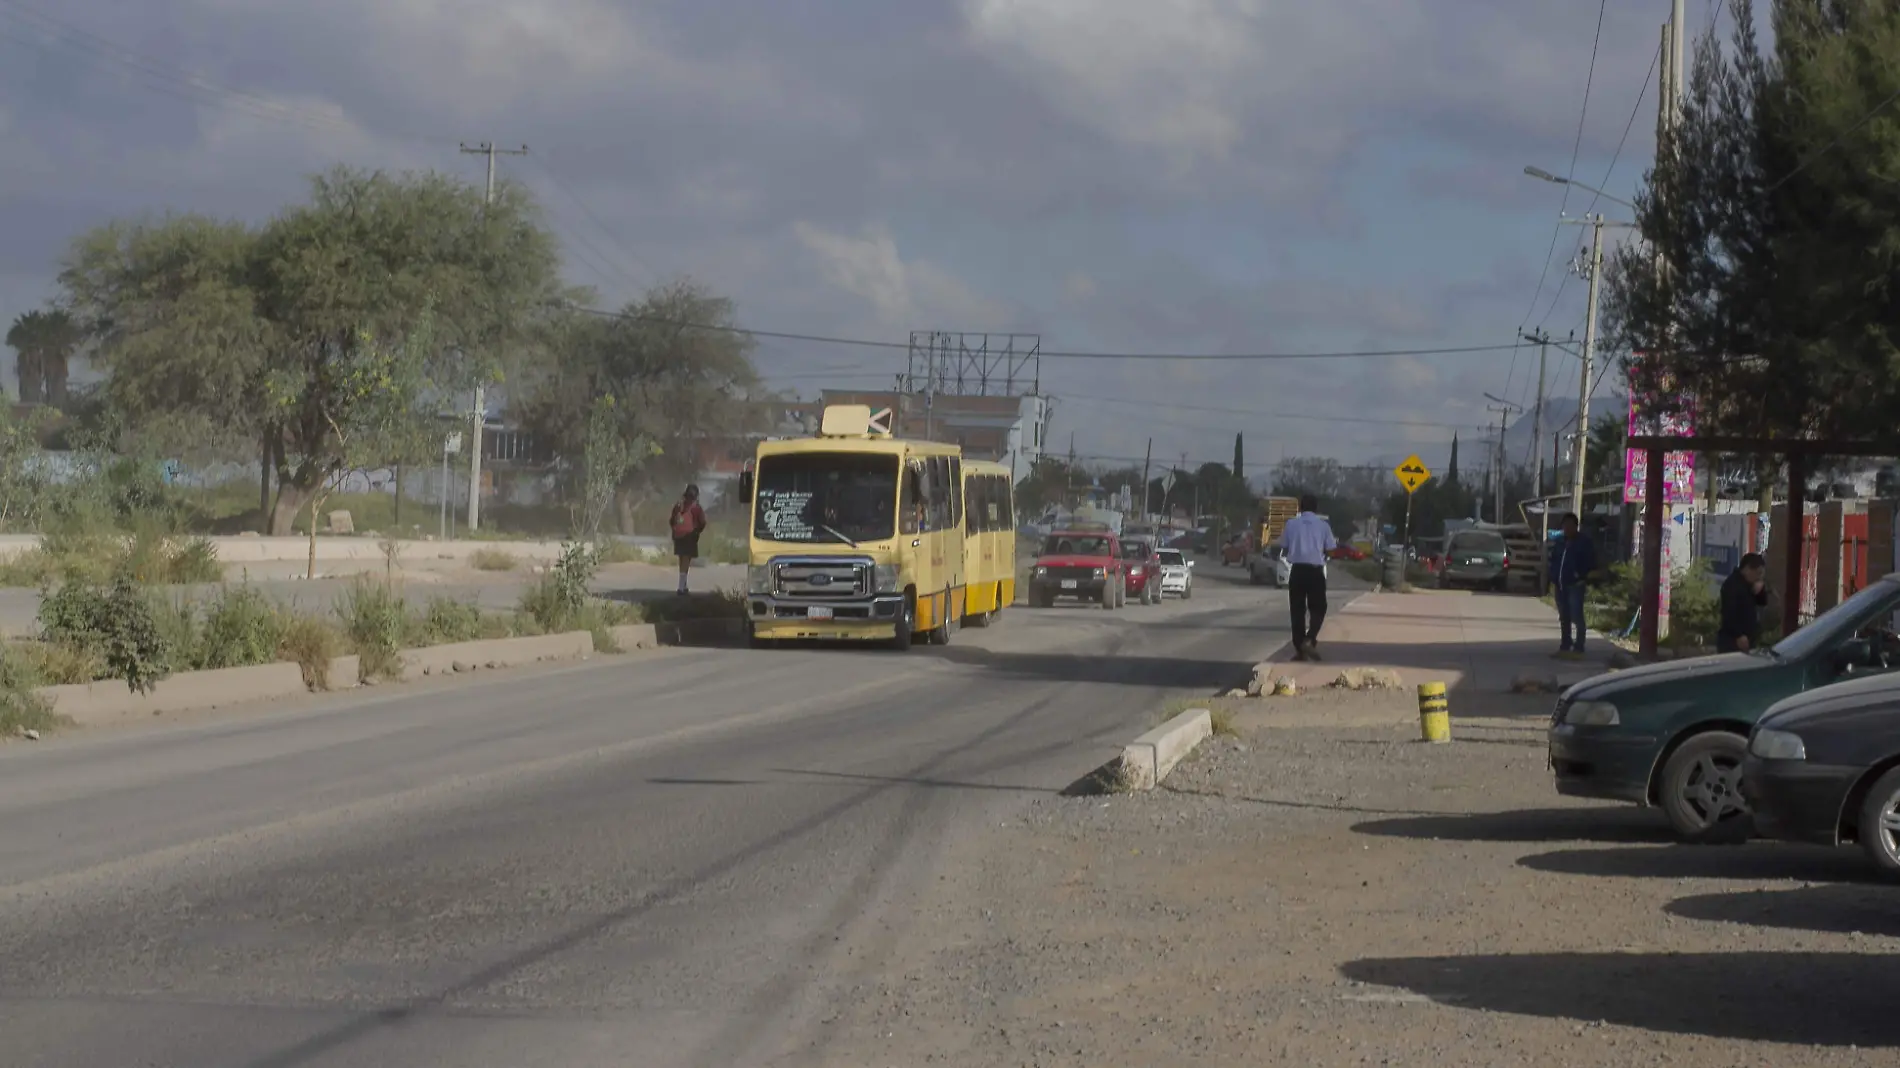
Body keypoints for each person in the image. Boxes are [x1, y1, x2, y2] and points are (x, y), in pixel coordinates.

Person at [1282, 494, 1336, 661]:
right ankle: (1310, 638)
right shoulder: (1323, 526)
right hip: (1315, 571)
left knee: (1297, 610)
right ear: (1316, 508)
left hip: (1297, 571)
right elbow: (1331, 549)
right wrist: (1323, 554)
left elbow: (1283, 546)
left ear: (1300, 507)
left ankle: (1300, 650)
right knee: (1319, 607)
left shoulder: (1291, 524)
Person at [1548, 512, 1598, 659]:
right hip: (1560, 584)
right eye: (1565, 526)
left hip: (1575, 584)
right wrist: (1553, 576)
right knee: (1564, 616)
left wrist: (1580, 575)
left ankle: (1579, 647)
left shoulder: (1583, 542)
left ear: (1576, 526)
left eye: (1570, 525)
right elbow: (1554, 560)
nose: (1567, 529)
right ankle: (1565, 645)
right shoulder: (1560, 542)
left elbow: (1590, 562)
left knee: (1576, 615)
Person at [1717, 553, 1769, 653]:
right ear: (1747, 569)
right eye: (1757, 573)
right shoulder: (1732, 585)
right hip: (1733, 640)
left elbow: (1762, 602)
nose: (1758, 577)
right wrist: (1739, 635)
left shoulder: (1750, 585)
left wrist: (1761, 589)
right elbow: (1729, 613)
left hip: (1749, 638)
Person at [668, 484, 706, 595]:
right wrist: (697, 531)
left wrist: (675, 530)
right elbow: (702, 522)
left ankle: (683, 585)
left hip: (678, 535)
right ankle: (681, 587)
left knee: (682, 560)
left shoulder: (678, 506)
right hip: (689, 536)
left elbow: (671, 521)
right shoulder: (696, 508)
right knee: (686, 560)